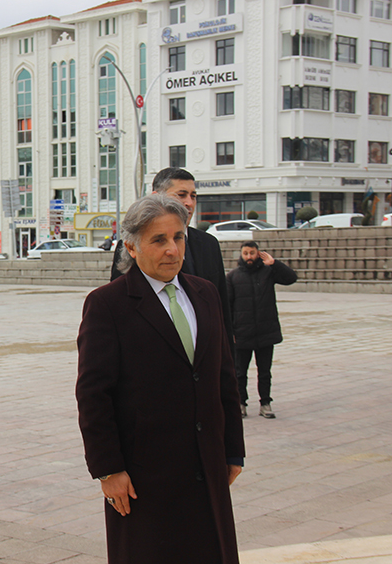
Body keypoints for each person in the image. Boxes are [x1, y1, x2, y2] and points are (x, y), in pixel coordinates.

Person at [77, 194, 244, 564]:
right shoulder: (108, 304)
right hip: (145, 477)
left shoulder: (205, 293)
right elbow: (93, 395)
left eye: (178, 237)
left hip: (207, 466)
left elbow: (223, 376)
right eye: (158, 240)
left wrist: (233, 449)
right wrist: (108, 470)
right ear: (131, 248)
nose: (172, 249)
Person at [111, 167, 234, 347]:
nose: (189, 203)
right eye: (181, 195)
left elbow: (222, 309)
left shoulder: (209, 244)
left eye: (193, 196)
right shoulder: (133, 245)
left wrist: (229, 354)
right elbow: (119, 305)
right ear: (156, 196)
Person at [226, 241, 297, 419]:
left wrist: (274, 264)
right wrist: (231, 331)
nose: (249, 257)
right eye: (246, 253)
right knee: (240, 372)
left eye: (252, 253)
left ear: (258, 253)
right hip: (242, 333)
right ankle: (241, 403)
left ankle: (265, 403)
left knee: (264, 372)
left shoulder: (268, 272)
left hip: (265, 332)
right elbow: (227, 306)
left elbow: (291, 278)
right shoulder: (233, 277)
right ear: (241, 255)